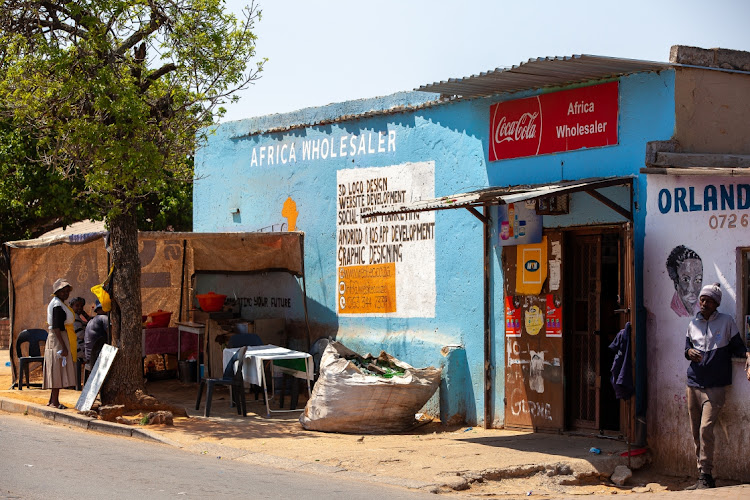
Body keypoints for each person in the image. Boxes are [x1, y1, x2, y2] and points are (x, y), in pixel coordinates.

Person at [684, 283, 750, 489]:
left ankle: (707, 473)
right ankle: (701, 476)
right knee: (696, 431)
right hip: (693, 383)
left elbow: (739, 347)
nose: (704, 303)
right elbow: (686, 348)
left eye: (709, 300)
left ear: (716, 304)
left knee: (705, 429)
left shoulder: (726, 322)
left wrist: (748, 355)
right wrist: (688, 353)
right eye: (702, 299)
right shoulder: (692, 323)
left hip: (715, 387)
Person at [44, 278, 77, 408]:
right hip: (58, 338)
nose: (65, 293)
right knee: (57, 369)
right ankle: (55, 402)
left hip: (60, 337)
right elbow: (57, 327)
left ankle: (52, 400)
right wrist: (63, 346)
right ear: (57, 292)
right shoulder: (57, 305)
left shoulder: (60, 303)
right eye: (63, 291)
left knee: (56, 368)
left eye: (67, 291)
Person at [666, 245, 703, 317]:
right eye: (685, 280)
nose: (692, 289)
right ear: (676, 281)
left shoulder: (701, 310)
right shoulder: (672, 312)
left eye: (698, 280)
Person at [84, 300, 109, 374]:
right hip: (97, 357)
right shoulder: (104, 318)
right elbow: (112, 335)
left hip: (90, 356)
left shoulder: (93, 320)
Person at [70, 297, 91, 363]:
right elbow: (81, 335)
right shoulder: (74, 317)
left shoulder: (75, 316)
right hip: (78, 348)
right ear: (71, 306)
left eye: (81, 306)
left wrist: (83, 313)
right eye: (77, 306)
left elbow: (90, 321)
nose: (79, 308)